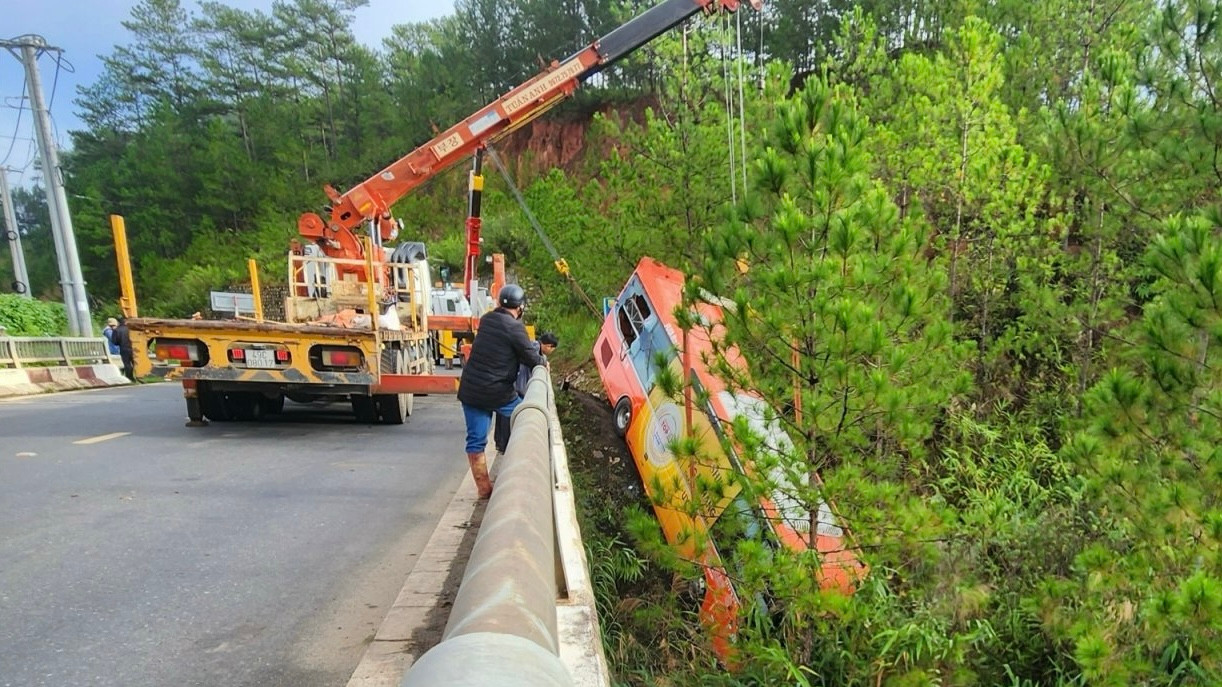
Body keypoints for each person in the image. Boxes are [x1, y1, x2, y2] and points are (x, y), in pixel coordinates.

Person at [457, 284, 545, 499]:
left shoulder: (487, 320)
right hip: (498, 392)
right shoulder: (515, 327)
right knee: (528, 421)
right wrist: (543, 363)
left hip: (471, 390)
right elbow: (531, 357)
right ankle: (526, 473)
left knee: (476, 441)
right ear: (520, 307)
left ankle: (484, 489)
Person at [493, 331, 558, 454]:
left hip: (509, 384)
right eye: (552, 349)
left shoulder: (533, 348)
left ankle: (501, 444)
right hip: (515, 386)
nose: (551, 352)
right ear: (548, 346)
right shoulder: (534, 348)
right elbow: (532, 359)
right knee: (508, 415)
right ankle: (504, 445)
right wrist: (543, 362)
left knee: (504, 415)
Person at [114, 317, 135, 381]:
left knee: (127, 364)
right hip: (134, 348)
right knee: (135, 362)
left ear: (118, 322)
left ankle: (130, 377)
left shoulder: (116, 330)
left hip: (123, 348)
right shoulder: (132, 329)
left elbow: (115, 342)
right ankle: (139, 376)